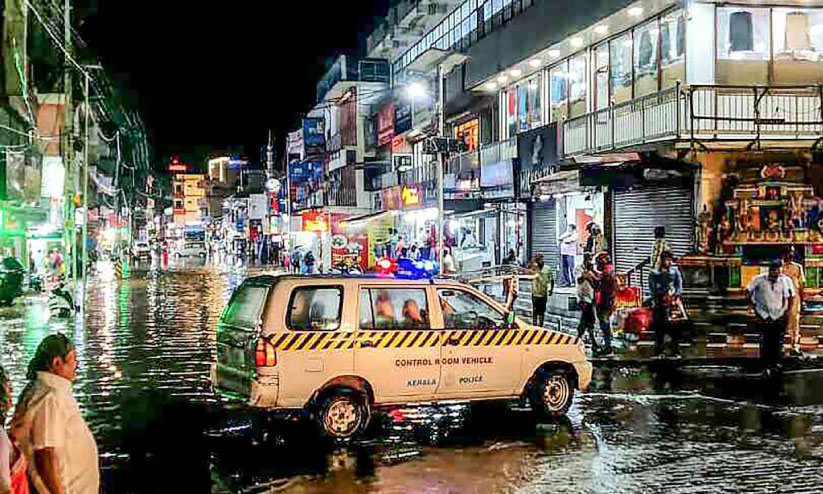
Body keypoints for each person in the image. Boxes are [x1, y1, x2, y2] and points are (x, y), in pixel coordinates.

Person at [11, 334, 99, 494]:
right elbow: (45, 453)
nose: (76, 364)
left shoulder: (46, 390)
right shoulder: (50, 397)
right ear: (57, 362)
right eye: (73, 359)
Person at [748, 263, 794, 369]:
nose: (774, 275)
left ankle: (776, 361)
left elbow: (789, 297)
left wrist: (787, 313)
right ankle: (765, 362)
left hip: (779, 313)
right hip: (762, 313)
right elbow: (748, 292)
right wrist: (753, 309)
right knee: (765, 339)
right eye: (772, 272)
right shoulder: (759, 279)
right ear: (769, 271)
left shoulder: (784, 281)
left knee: (777, 339)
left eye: (777, 273)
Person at [649, 251, 684, 358]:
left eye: (669, 260)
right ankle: (659, 351)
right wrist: (661, 294)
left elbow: (679, 285)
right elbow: (653, 288)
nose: (667, 262)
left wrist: (676, 295)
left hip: (673, 304)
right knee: (660, 330)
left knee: (675, 330)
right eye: (666, 259)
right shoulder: (655, 273)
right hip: (660, 304)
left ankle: (675, 351)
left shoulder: (675, 271)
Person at [780, 246, 805, 356]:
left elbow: (801, 285)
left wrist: (803, 300)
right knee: (780, 321)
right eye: (789, 253)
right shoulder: (778, 267)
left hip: (795, 298)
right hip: (781, 297)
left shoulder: (798, 267)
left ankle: (794, 345)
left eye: (792, 253)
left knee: (794, 320)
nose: (790, 255)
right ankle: (780, 346)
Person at [594, 253, 616, 356]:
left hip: (606, 302)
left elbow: (599, 279)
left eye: (598, 262)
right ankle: (607, 345)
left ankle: (608, 346)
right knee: (604, 324)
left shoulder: (608, 272)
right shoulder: (607, 271)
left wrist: (591, 275)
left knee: (605, 324)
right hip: (604, 301)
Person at [575, 254, 598, 350]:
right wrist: (587, 276)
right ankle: (592, 341)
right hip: (583, 298)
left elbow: (595, 284)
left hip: (591, 297)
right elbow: (579, 280)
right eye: (589, 260)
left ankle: (579, 339)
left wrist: (591, 273)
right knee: (588, 319)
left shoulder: (592, 270)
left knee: (586, 320)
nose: (590, 262)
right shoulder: (579, 268)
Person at [528, 253, 554, 327]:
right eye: (537, 258)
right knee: (535, 311)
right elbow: (527, 269)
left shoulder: (547, 268)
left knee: (542, 312)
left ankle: (541, 325)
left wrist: (551, 289)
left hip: (543, 293)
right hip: (535, 293)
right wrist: (533, 261)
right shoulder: (534, 268)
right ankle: (534, 325)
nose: (538, 260)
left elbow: (551, 279)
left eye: (539, 258)